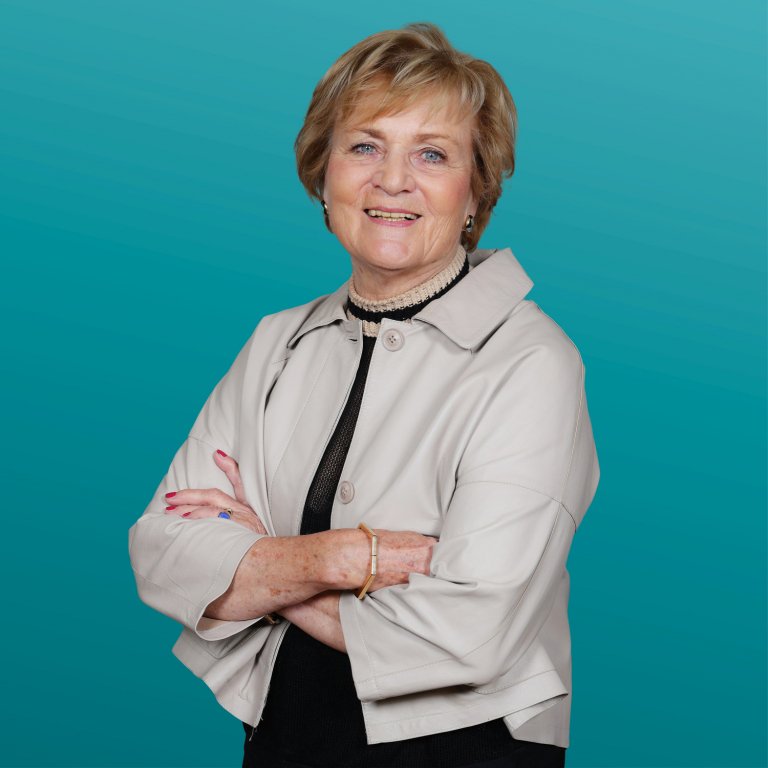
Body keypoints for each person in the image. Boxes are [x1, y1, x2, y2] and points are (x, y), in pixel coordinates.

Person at [129, 22, 600, 768]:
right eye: (364, 146)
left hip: (463, 754)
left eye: (432, 154)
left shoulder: (532, 360)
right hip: (284, 739)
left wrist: (264, 566)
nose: (393, 180)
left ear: (475, 190)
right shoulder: (275, 342)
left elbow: (469, 635)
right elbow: (162, 553)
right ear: (324, 177)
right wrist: (345, 557)